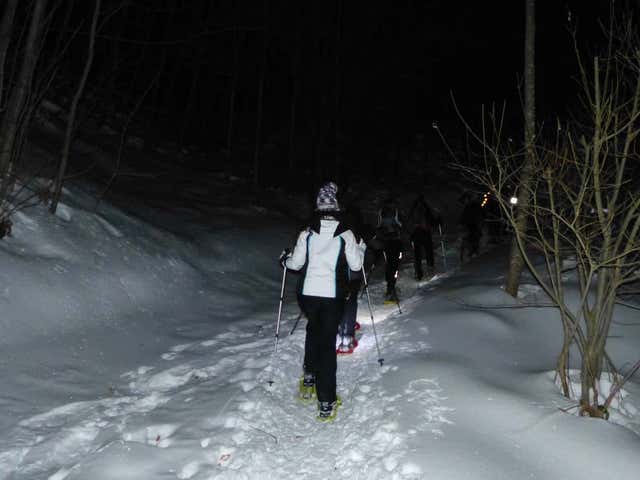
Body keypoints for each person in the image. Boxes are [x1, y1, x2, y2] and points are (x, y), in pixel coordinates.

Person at [281, 182, 364, 421]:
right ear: (336, 206)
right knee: (327, 343)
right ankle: (326, 401)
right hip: (332, 296)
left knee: (313, 330)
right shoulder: (345, 233)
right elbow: (356, 265)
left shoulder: (307, 232)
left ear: (318, 207)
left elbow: (295, 264)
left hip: (308, 295)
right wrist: (360, 248)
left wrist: (284, 259)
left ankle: (309, 375)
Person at [336, 203, 367, 354]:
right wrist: (362, 247)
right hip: (351, 273)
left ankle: (343, 328)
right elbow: (357, 261)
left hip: (336, 272)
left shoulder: (338, 226)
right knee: (350, 300)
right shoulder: (353, 230)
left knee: (340, 300)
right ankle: (347, 337)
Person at [407, 193, 440, 280]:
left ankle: (419, 273)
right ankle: (428, 269)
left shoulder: (414, 209)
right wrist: (438, 220)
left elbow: (408, 222)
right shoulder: (425, 208)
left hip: (417, 234)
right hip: (423, 233)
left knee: (418, 254)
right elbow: (432, 221)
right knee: (428, 252)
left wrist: (410, 233)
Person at [376, 197, 403, 302]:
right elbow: (379, 227)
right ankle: (391, 287)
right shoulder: (386, 212)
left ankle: (390, 286)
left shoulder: (383, 212)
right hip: (392, 242)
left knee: (391, 264)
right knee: (393, 265)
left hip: (390, 242)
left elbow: (379, 226)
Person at [459, 192, 484, 262]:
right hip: (468, 225)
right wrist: (461, 223)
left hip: (475, 225)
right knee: (469, 239)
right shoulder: (467, 207)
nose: (465, 201)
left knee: (474, 239)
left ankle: (474, 252)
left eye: (466, 199)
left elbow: (480, 215)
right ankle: (471, 253)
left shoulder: (475, 205)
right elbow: (463, 216)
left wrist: (479, 224)